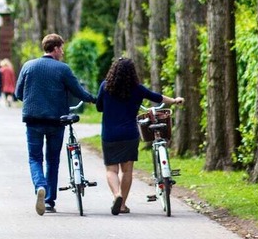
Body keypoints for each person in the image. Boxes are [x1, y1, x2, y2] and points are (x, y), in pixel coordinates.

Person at [15, 33, 97, 215]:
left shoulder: (28, 66)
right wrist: (94, 99)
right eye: (62, 48)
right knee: (52, 160)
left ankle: (40, 186)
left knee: (35, 158)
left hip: (33, 120)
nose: (63, 52)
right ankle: (49, 200)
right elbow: (79, 91)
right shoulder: (63, 69)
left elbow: (18, 93)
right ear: (56, 48)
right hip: (55, 121)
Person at [96, 56, 182, 215]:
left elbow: (99, 107)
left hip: (110, 134)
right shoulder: (137, 88)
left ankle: (117, 195)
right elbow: (158, 97)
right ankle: (122, 206)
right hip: (129, 134)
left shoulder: (105, 86)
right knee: (127, 171)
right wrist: (175, 100)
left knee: (112, 170)